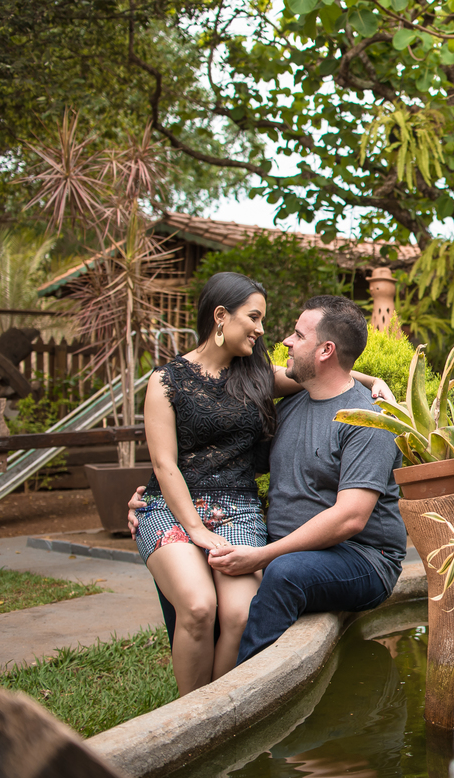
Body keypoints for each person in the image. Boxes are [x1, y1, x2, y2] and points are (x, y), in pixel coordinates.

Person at [135, 276, 391, 696]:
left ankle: (219, 705)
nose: (266, 332)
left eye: (274, 324)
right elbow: (165, 464)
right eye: (254, 318)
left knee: (239, 613)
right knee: (199, 606)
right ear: (221, 316)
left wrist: (370, 381)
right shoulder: (166, 382)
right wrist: (185, 523)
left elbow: (328, 371)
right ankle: (189, 710)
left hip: (238, 509)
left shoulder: (258, 378)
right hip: (174, 508)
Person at [206, 295, 407, 663]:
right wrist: (159, 500)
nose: (285, 340)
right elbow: (232, 463)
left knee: (285, 573)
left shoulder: (366, 420)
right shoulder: (294, 404)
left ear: (325, 350)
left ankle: (247, 691)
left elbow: (350, 517)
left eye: (298, 335)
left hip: (364, 557)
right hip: (291, 548)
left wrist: (263, 556)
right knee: (201, 562)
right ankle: (201, 681)